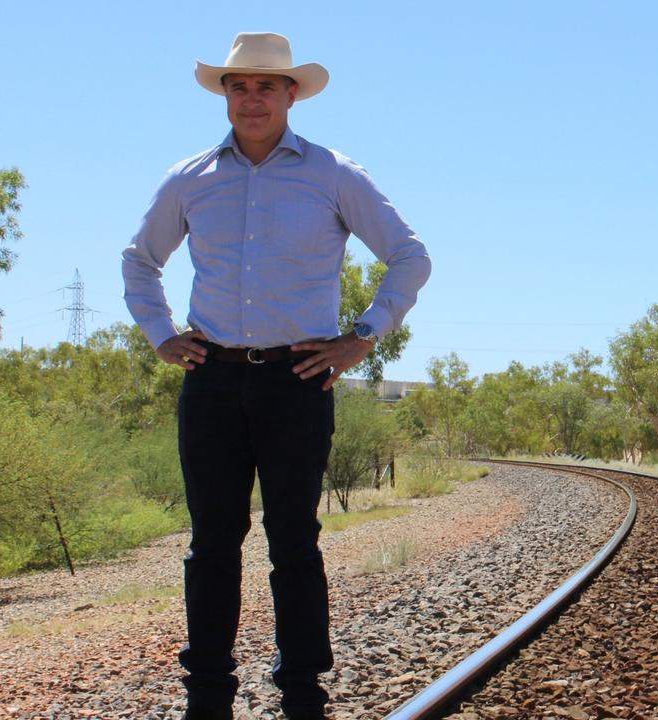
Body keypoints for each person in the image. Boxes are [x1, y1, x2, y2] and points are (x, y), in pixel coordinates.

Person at [121, 32, 431, 720]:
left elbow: (409, 256)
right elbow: (139, 260)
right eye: (240, 86)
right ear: (225, 95)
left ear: (292, 94)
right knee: (211, 543)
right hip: (212, 382)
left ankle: (302, 692)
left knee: (294, 540)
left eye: (267, 86)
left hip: (297, 380)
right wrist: (162, 335)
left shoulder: (332, 175)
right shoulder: (190, 179)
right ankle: (208, 694)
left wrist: (361, 338)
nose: (252, 98)